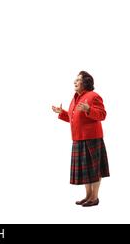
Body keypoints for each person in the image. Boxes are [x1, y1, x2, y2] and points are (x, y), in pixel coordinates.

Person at [52, 71, 109, 207]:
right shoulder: (75, 98)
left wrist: (89, 109)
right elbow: (74, 119)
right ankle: (88, 196)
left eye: (78, 80)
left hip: (92, 138)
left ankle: (94, 197)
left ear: (85, 82)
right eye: (75, 80)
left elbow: (102, 115)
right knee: (86, 171)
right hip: (78, 139)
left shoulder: (94, 96)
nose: (75, 82)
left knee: (94, 170)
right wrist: (62, 113)